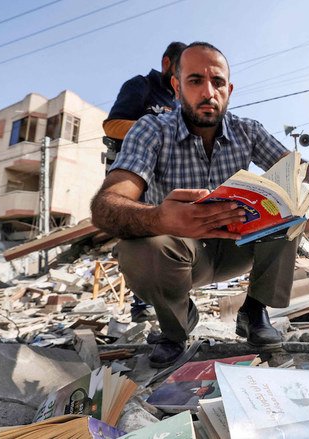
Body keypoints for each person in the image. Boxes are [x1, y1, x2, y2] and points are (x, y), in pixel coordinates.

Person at [91, 42, 309, 368]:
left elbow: (300, 168)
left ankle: (255, 312)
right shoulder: (151, 130)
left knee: (291, 210)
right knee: (138, 250)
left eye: (217, 82)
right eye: (195, 81)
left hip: (237, 245)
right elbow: (107, 204)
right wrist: (159, 219)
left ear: (229, 89)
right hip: (180, 251)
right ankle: (176, 328)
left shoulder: (248, 131)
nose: (208, 92)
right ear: (176, 86)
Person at [102, 41, 187, 323]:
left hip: (164, 172)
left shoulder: (177, 99)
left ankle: (172, 298)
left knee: (170, 233)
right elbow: (112, 125)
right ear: (166, 64)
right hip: (132, 170)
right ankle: (142, 305)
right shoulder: (140, 86)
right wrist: (154, 129)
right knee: (139, 231)